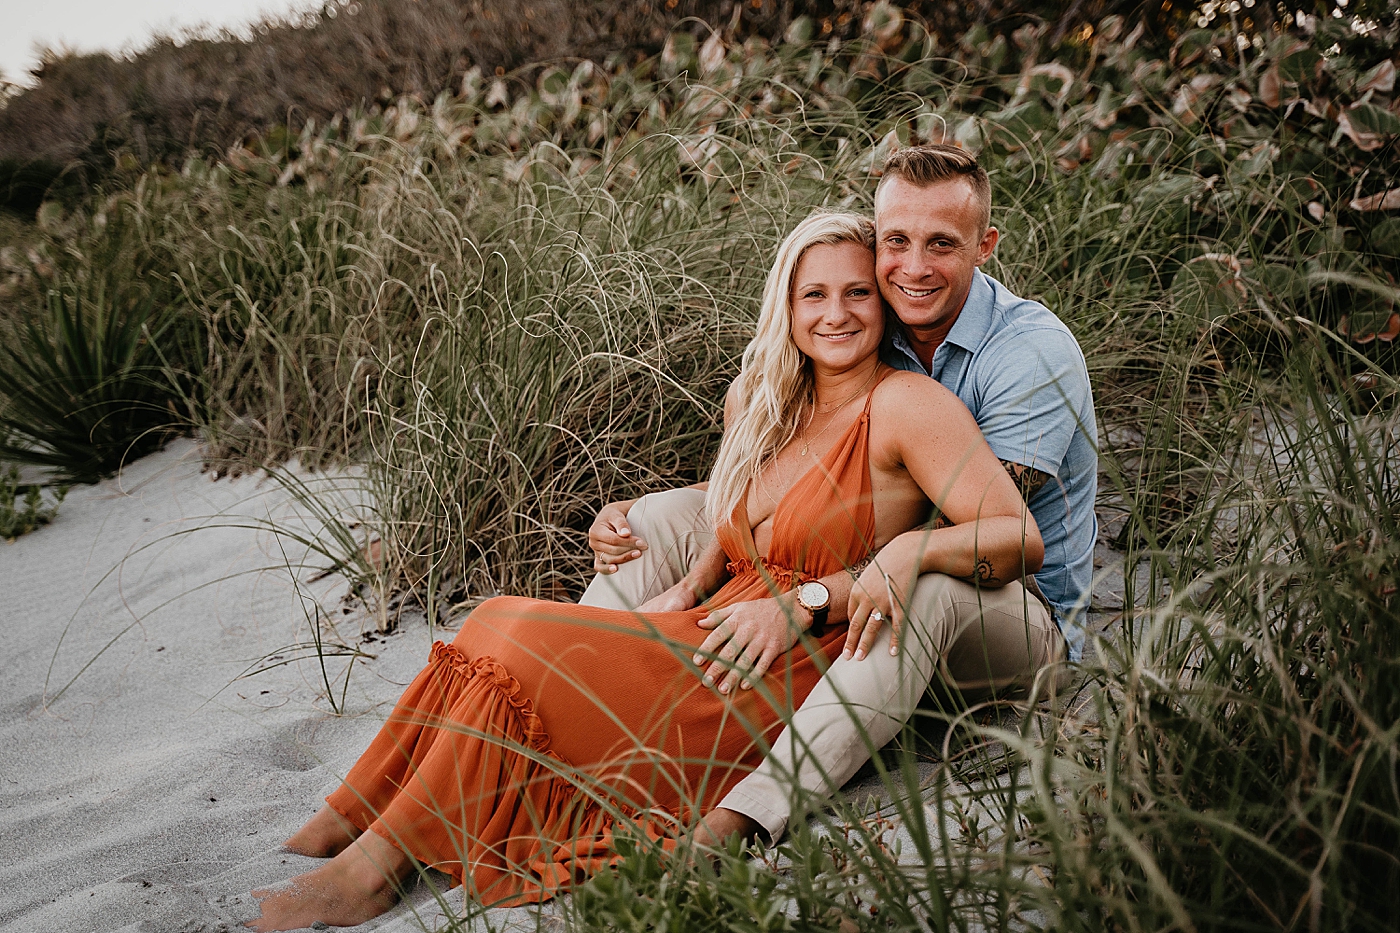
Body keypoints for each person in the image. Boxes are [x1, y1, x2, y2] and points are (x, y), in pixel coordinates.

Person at [246, 210, 1043, 931]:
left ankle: (377, 867)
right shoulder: (759, 400)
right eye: (814, 295)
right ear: (786, 306)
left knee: (514, 633)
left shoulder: (907, 404)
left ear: (882, 304)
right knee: (495, 622)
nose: (836, 313)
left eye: (859, 294)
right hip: (717, 622)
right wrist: (685, 575)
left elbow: (1013, 535)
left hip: (795, 657)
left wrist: (864, 570)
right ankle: (371, 813)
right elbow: (738, 508)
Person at [582, 144, 1098, 846]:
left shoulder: (1028, 353)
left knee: (919, 579)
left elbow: (955, 527)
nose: (913, 268)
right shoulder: (874, 319)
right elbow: (824, 474)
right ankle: (585, 677)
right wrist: (689, 519)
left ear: (985, 246)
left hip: (1010, 616)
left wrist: (804, 598)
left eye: (941, 244)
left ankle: (744, 815)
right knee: (659, 516)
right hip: (863, 598)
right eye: (896, 242)